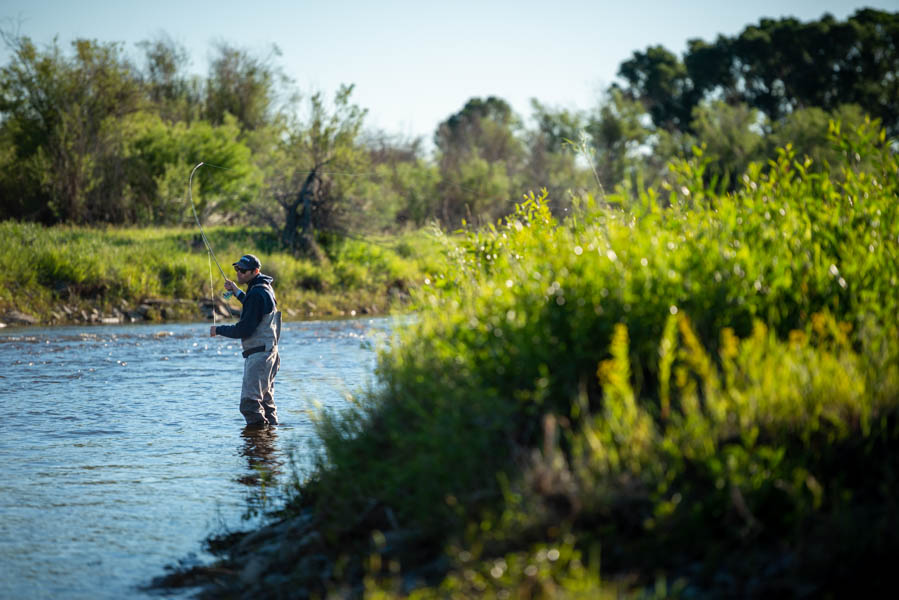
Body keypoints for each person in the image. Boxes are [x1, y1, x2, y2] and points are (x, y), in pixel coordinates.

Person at [210, 254, 282, 427]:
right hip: (269, 353)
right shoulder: (262, 287)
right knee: (265, 403)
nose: (238, 273)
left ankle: (257, 446)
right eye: (237, 269)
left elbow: (244, 329)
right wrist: (236, 292)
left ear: (255, 271)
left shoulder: (257, 293)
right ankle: (269, 443)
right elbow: (253, 307)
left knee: (249, 405)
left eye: (243, 271)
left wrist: (218, 330)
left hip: (259, 357)